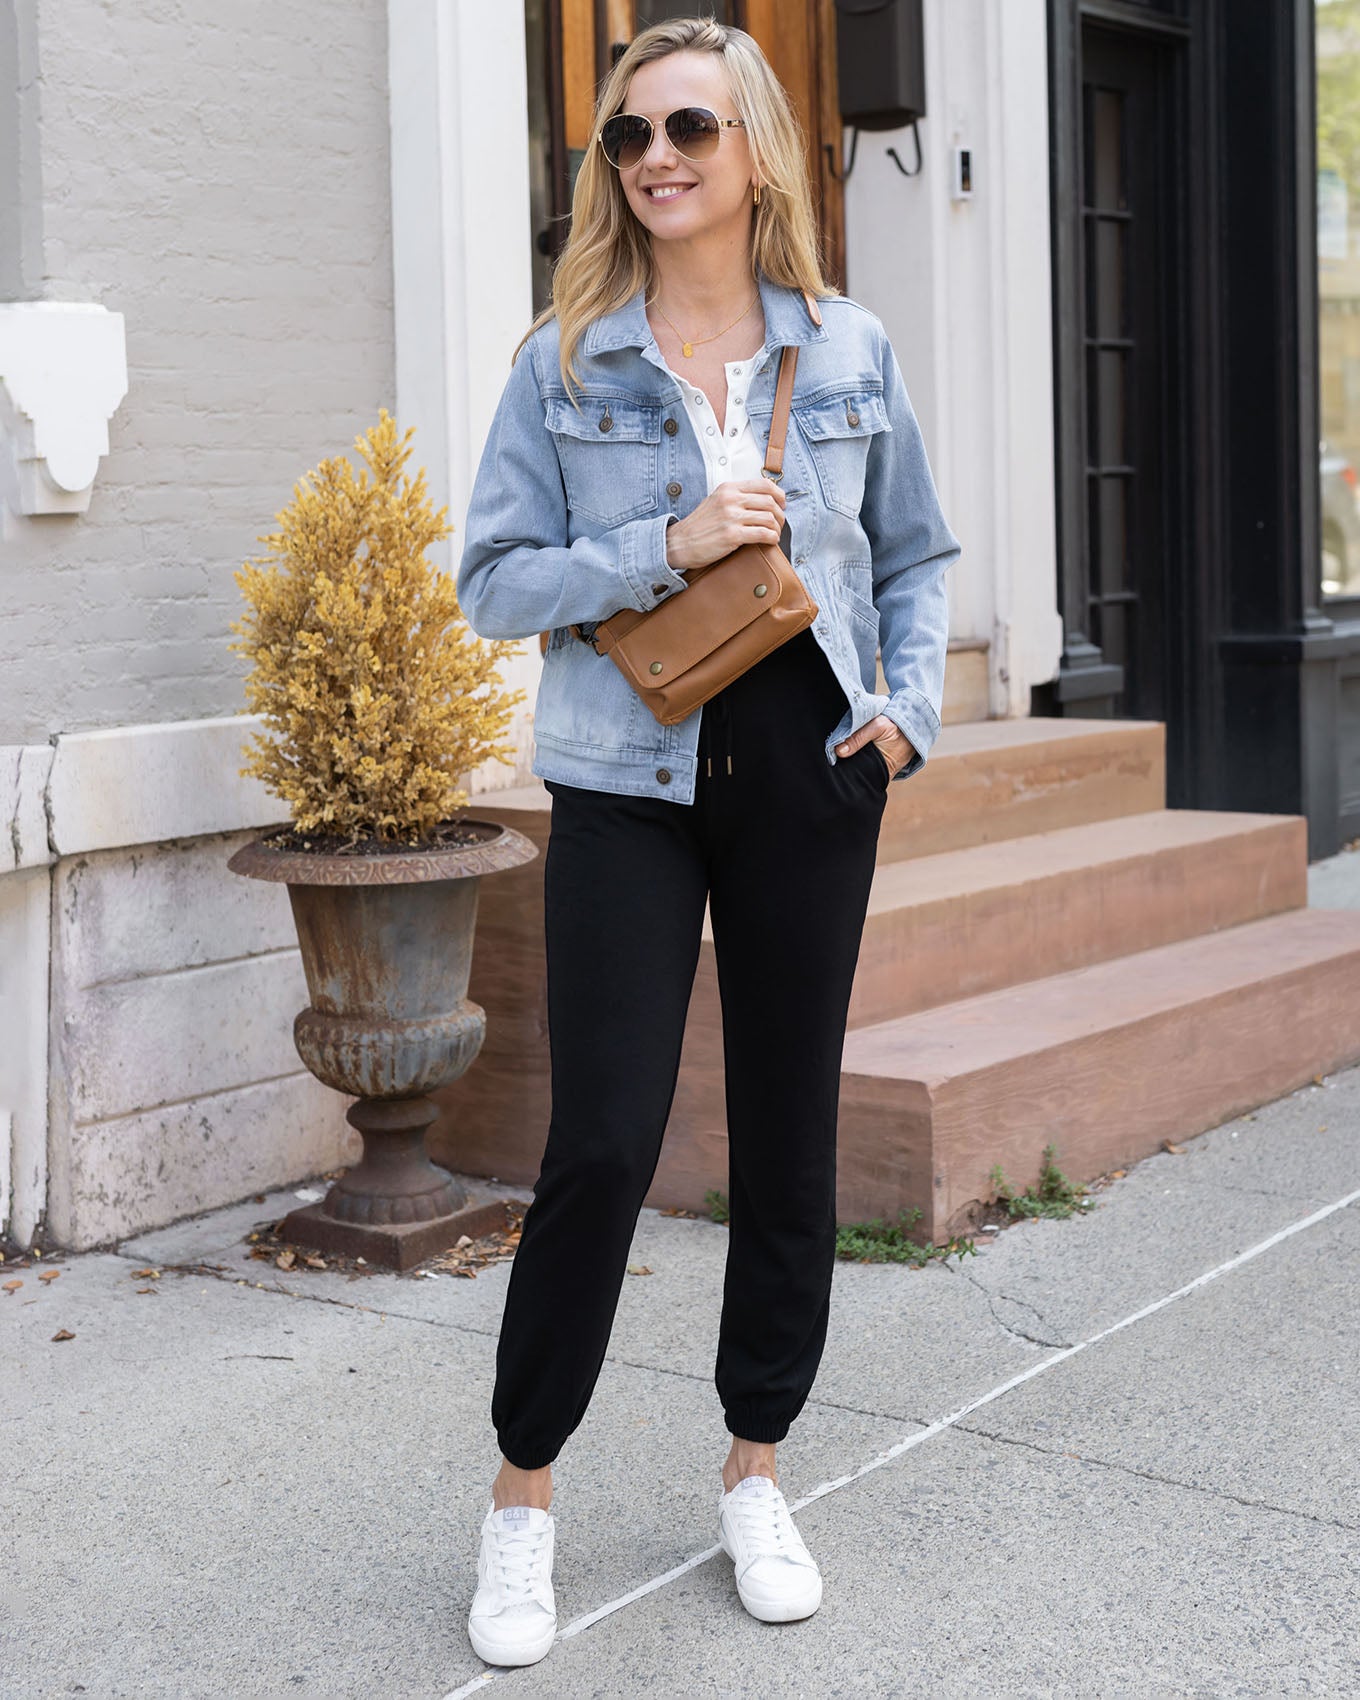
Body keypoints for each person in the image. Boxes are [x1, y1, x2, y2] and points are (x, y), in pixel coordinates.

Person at [456, 16, 960, 1670]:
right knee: (601, 1140)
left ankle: (756, 1468)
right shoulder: (568, 359)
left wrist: (905, 714)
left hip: (811, 763)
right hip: (627, 777)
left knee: (789, 1136)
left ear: (753, 145)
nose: (656, 156)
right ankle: (524, 1500)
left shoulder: (853, 348)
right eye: (627, 137)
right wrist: (655, 543)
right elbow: (495, 584)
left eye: (687, 125)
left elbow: (919, 552)